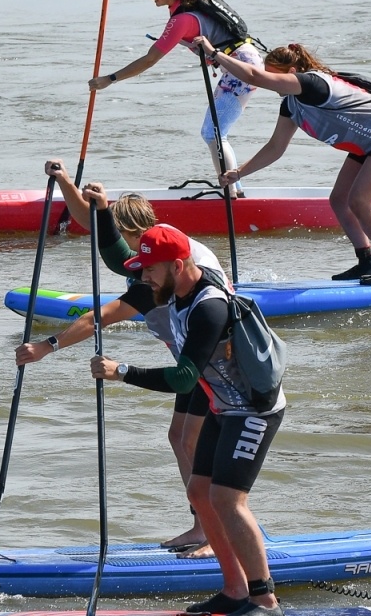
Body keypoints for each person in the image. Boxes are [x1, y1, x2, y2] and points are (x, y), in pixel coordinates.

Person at [14, 160, 227, 553]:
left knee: (191, 440)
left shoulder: (161, 273)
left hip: (216, 366)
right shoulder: (160, 248)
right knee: (178, 437)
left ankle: (216, 534)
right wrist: (67, 184)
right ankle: (203, 527)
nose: (136, 270)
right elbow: (107, 243)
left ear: (138, 236)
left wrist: (47, 347)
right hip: (193, 358)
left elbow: (100, 317)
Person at [89, 224, 288, 616]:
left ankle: (264, 601)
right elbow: (118, 261)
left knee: (229, 499)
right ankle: (234, 590)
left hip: (254, 409)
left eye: (149, 270)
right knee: (201, 491)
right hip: (223, 405)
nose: (142, 278)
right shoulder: (174, 289)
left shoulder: (209, 307)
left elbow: (182, 379)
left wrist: (121, 371)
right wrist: (102, 212)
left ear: (179, 266)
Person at [203, 39, 371, 285]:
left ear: (292, 73)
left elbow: (254, 76)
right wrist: (238, 173)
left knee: (359, 200)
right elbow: (275, 148)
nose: (271, 83)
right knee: (338, 200)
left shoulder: (312, 83)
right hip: (367, 142)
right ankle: (366, 260)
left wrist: (215, 53)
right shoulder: (291, 106)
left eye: (274, 77)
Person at [88, 0, 266, 186]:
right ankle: (233, 190)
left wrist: (110, 78)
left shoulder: (182, 20)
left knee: (213, 132)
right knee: (214, 132)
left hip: (241, 68)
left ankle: (233, 193)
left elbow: (151, 59)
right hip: (239, 62)